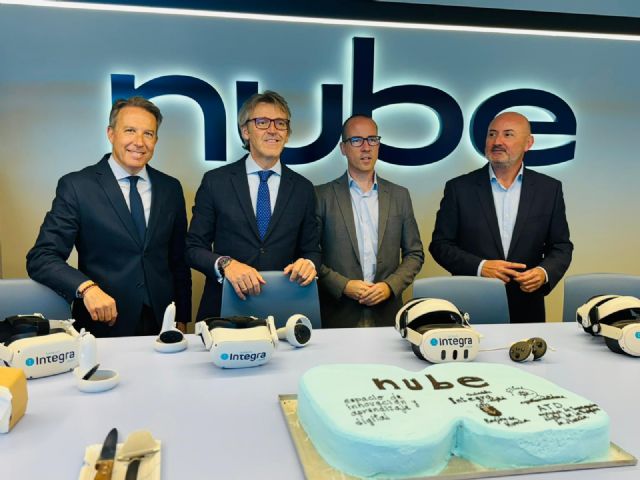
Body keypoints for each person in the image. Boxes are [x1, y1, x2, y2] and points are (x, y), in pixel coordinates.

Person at [27, 97, 191, 336]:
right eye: (130, 130)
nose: (139, 142)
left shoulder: (170, 188)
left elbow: (178, 260)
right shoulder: (77, 186)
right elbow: (41, 257)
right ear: (111, 134)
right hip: (103, 324)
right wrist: (86, 288)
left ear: (156, 140)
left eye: (148, 133)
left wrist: (183, 316)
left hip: (161, 322)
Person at [186, 90, 320, 320]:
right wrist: (226, 264)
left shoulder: (303, 188)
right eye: (262, 122)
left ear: (287, 134)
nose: (273, 130)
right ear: (245, 131)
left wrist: (308, 263)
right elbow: (192, 248)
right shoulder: (215, 181)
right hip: (224, 310)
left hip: (283, 311)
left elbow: (312, 251)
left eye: (280, 123)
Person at [429, 111, 573, 323]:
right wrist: (480, 267)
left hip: (527, 308)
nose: (497, 142)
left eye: (508, 134)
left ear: (528, 143)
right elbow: (440, 245)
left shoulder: (549, 189)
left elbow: (561, 246)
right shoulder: (459, 188)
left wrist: (543, 272)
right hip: (472, 304)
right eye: (492, 134)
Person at [316, 115, 424, 328]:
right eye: (356, 140)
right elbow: (310, 255)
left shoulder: (399, 195)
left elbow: (415, 253)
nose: (366, 147)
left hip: (387, 315)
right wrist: (344, 285)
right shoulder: (321, 196)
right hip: (338, 315)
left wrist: (390, 286)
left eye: (372, 139)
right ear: (343, 148)